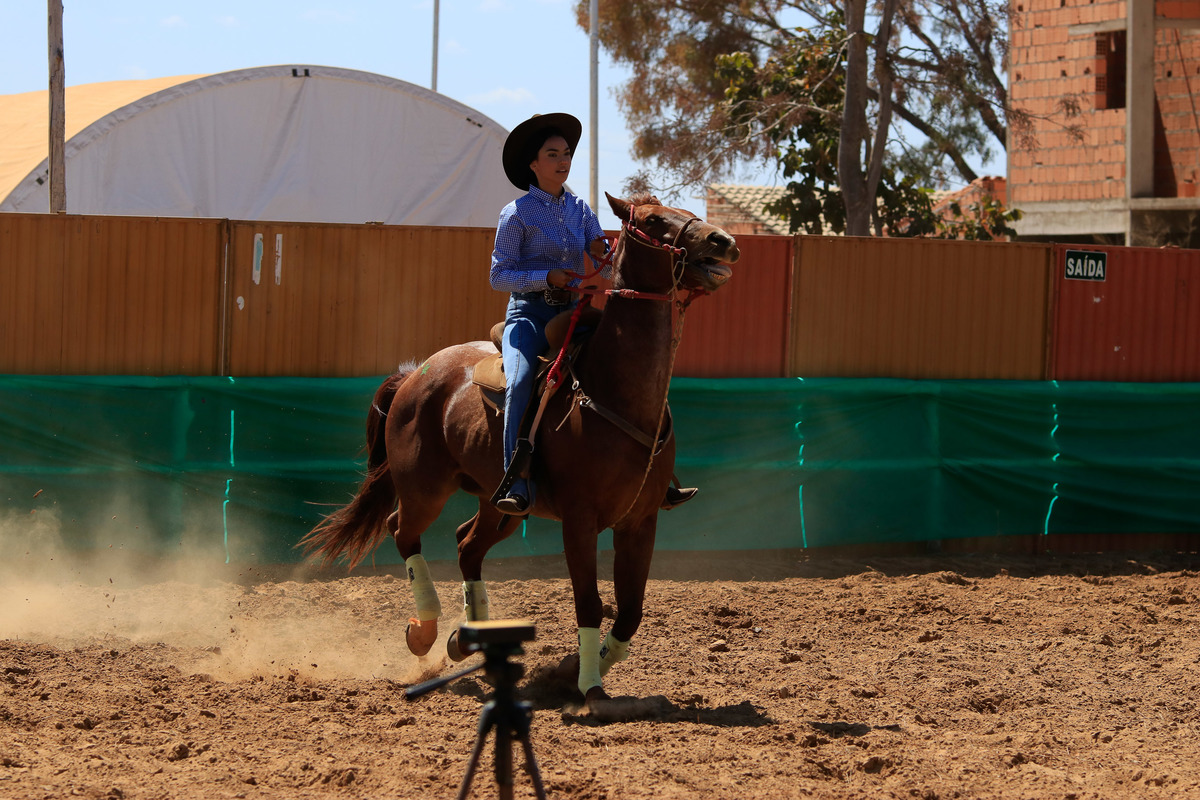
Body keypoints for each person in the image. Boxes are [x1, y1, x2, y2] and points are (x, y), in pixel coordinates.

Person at [488, 112, 697, 515]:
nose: (563, 160)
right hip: (528, 316)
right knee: (519, 382)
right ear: (533, 164)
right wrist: (548, 276)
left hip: (574, 314)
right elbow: (499, 275)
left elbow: (601, 253)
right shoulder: (515, 213)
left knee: (632, 369)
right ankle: (516, 479)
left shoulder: (580, 209)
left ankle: (655, 475)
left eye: (566, 153)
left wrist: (609, 249)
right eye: (552, 154)